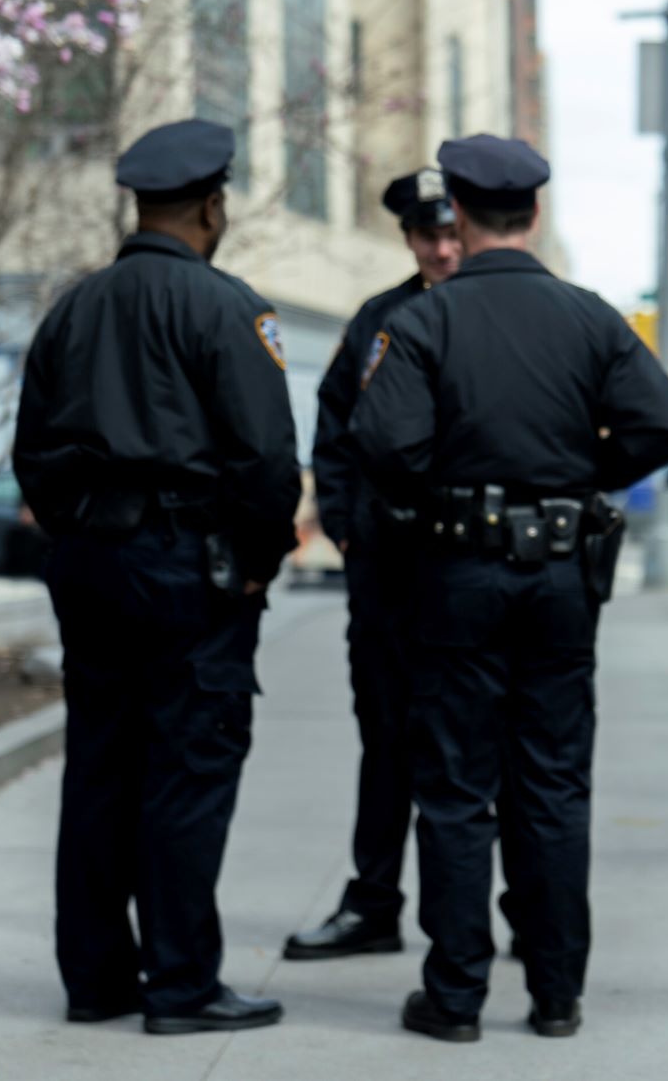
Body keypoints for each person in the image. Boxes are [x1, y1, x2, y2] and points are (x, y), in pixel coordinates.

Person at [350, 133, 668, 1043]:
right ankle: (555, 993)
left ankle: (455, 997)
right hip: (563, 577)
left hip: (456, 573)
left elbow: (383, 444)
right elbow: (661, 421)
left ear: (455, 213)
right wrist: (584, 468)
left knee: (455, 788)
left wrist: (445, 486)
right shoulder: (589, 318)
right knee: (552, 784)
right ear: (533, 214)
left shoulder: (421, 322)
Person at [14, 119, 300, 1034]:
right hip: (189, 568)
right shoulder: (226, 307)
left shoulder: (72, 307)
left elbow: (32, 454)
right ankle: (181, 985)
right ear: (213, 205)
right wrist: (255, 566)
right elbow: (265, 461)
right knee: (187, 769)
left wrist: (81, 536)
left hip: (93, 564)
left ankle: (96, 980)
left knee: (100, 765)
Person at [284, 169, 462, 961]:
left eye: (455, 233)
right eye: (430, 236)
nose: (445, 249)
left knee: (491, 743)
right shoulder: (376, 322)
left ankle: (529, 910)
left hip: (473, 568)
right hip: (387, 572)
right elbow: (335, 429)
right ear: (409, 239)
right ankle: (375, 901)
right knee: (386, 739)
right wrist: (349, 526)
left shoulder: (498, 311)